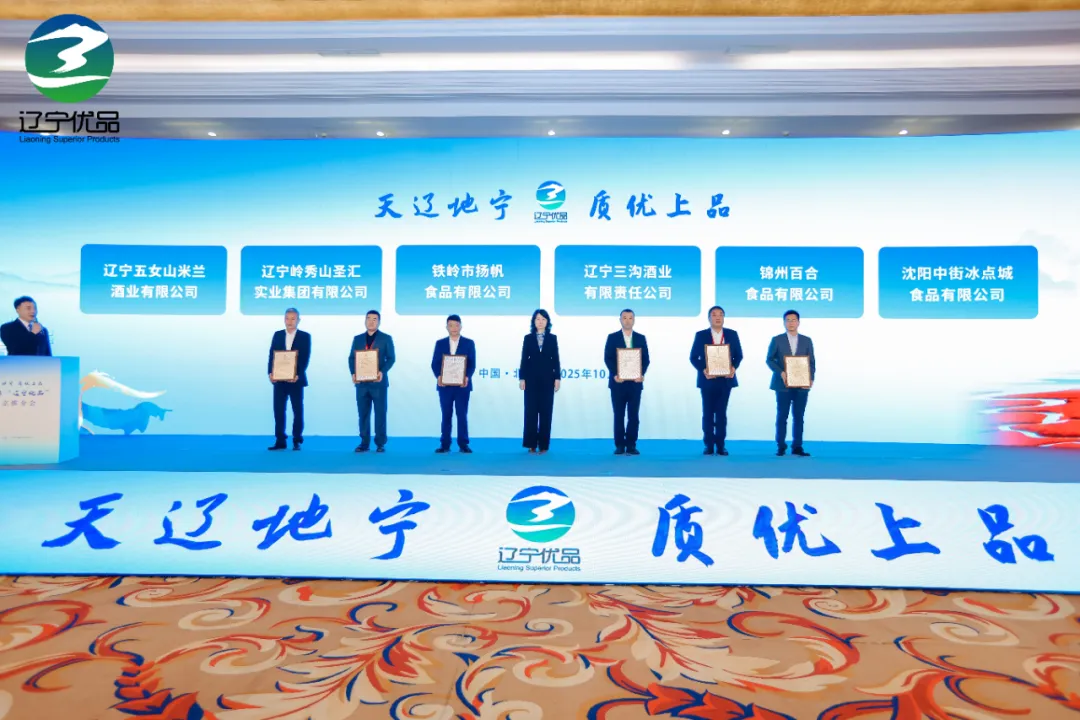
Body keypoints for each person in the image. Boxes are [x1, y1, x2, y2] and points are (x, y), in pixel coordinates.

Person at [689, 305, 743, 455]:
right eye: (714, 315)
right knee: (707, 413)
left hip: (726, 380)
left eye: (720, 315)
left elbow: (739, 355)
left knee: (721, 413)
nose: (717, 317)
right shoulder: (701, 335)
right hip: (708, 379)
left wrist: (733, 368)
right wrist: (704, 370)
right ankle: (708, 445)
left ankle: (720, 445)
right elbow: (693, 357)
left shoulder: (732, 334)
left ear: (724, 318)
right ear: (709, 318)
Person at [767, 309, 816, 457]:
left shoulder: (807, 340)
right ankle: (781, 446)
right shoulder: (777, 339)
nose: (791, 323)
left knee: (799, 416)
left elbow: (811, 362)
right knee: (782, 416)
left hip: (802, 384)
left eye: (793, 320)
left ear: (798, 322)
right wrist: (781, 372)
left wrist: (810, 378)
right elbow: (769, 360)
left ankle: (797, 447)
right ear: (784, 322)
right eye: (788, 320)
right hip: (783, 384)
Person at [603, 308, 650, 455]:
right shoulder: (612, 337)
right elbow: (608, 358)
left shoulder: (641, 338)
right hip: (618, 383)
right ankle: (619, 445)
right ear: (620, 320)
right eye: (624, 318)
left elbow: (646, 359)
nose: (627, 321)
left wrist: (641, 374)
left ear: (634, 320)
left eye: (630, 318)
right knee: (618, 415)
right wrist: (615, 374)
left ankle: (631, 445)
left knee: (633, 416)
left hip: (635, 383)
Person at [349, 310, 396, 453]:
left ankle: (380, 443)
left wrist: (382, 371)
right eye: (368, 318)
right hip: (361, 384)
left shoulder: (386, 338)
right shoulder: (357, 339)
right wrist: (353, 373)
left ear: (379, 322)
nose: (371, 321)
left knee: (380, 413)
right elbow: (351, 358)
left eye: (374, 319)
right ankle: (364, 443)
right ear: (365, 321)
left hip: (379, 383)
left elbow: (391, 358)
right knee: (363, 414)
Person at [430, 314, 476, 453]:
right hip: (445, 386)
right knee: (446, 415)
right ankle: (445, 444)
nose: (454, 328)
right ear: (447, 327)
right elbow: (435, 363)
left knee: (462, 415)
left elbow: (472, 364)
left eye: (456, 325)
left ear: (461, 326)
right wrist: (439, 376)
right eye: (451, 325)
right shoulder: (440, 343)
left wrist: (467, 377)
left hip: (462, 386)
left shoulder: (469, 343)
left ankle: (463, 444)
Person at [267, 307, 310, 451]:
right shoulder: (278, 334)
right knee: (278, 410)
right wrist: (270, 372)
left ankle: (297, 440)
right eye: (287, 318)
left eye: (293, 318)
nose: (290, 321)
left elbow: (305, 358)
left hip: (295, 380)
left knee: (297, 410)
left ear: (298, 320)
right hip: (279, 380)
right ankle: (280, 440)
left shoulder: (304, 336)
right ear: (284, 319)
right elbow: (272, 355)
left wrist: (297, 374)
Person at [519, 309, 561, 454]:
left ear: (547, 322)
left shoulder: (553, 338)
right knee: (530, 412)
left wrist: (557, 378)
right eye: (538, 319)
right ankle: (531, 444)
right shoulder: (528, 338)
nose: (540, 321)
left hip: (548, 379)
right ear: (534, 321)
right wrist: (522, 378)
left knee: (546, 412)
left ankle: (543, 445)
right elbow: (524, 359)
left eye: (543, 319)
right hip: (530, 379)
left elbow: (556, 359)